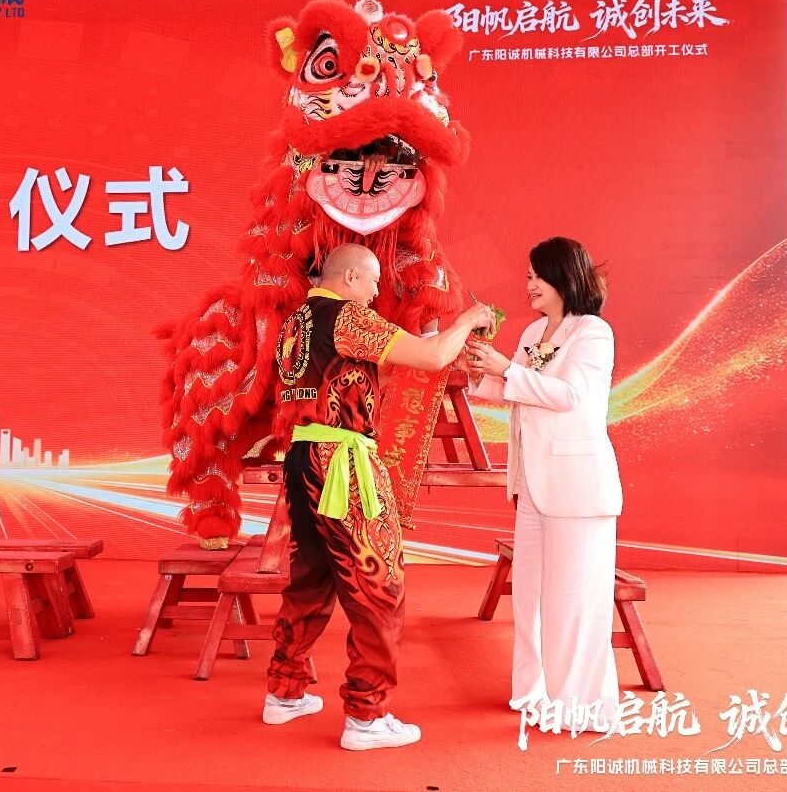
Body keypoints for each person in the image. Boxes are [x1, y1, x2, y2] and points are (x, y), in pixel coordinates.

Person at [263, 243, 495, 750]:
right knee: (378, 587)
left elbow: (359, 374)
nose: (375, 294)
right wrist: (467, 320)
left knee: (310, 580)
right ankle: (366, 717)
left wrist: (423, 346)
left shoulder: (297, 321)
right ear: (349, 278)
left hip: (303, 459)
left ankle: (284, 691)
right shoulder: (348, 316)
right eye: (372, 283)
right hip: (343, 465)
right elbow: (433, 357)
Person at [464, 236, 623, 729]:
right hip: (532, 483)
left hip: (577, 486)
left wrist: (507, 369)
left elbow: (570, 395)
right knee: (531, 596)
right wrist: (478, 373)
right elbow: (517, 391)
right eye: (528, 275)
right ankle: (536, 693)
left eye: (536, 275)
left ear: (563, 276)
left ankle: (581, 705)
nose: (529, 284)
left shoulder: (592, 332)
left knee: (574, 599)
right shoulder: (535, 330)